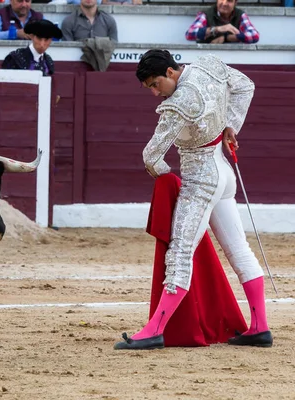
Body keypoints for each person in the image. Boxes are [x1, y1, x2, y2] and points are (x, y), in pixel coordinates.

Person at [114, 49, 273, 350]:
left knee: (180, 253)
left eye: (155, 84)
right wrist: (231, 125)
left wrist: (167, 179)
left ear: (171, 73)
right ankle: (260, 327)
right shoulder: (209, 65)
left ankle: (155, 330)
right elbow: (245, 86)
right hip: (224, 172)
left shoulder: (178, 103)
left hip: (200, 180)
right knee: (240, 251)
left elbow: (151, 155)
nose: (154, 92)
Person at [185, 0, 260, 44]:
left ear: (235, 3)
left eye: (229, 0)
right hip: (206, 58)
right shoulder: (206, 14)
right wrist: (216, 29)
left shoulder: (240, 15)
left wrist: (226, 38)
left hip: (233, 59)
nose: (224, 3)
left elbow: (254, 35)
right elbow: (190, 34)